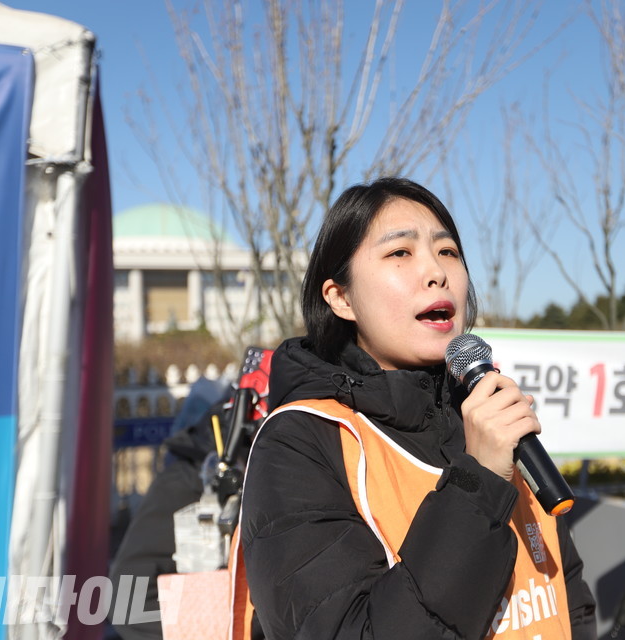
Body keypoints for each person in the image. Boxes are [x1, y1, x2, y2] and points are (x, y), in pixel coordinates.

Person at [238, 177, 597, 639]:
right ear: (341, 298)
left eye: (448, 252)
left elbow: (569, 600)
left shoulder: (490, 421)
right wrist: (479, 482)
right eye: (399, 253)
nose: (436, 272)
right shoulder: (302, 443)